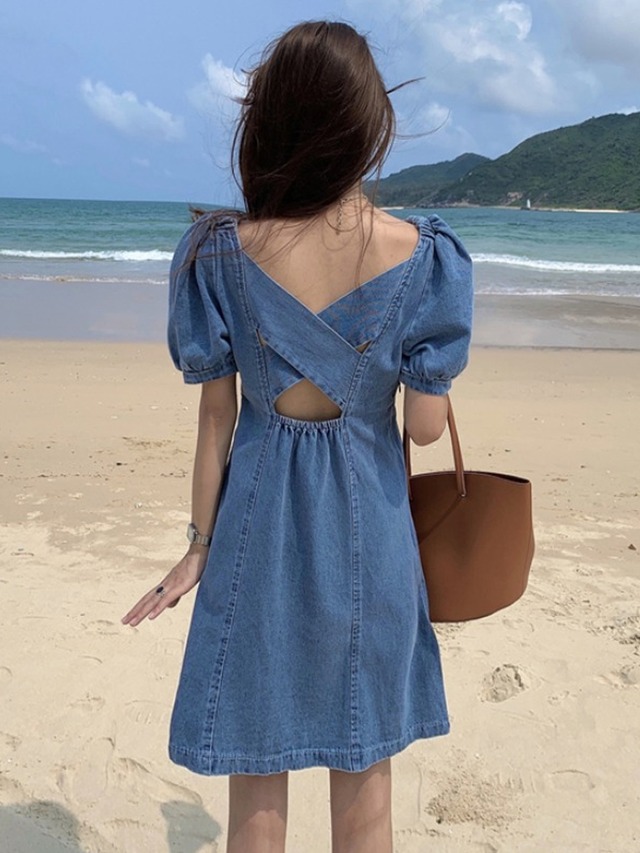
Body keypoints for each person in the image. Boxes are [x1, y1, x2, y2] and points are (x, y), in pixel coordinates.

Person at [122, 20, 473, 853]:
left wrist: (197, 547)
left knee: (257, 777)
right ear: (370, 125)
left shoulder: (216, 253)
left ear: (271, 120)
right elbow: (425, 430)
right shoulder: (423, 255)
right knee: (366, 787)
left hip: (255, 537)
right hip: (370, 538)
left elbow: (216, 419)